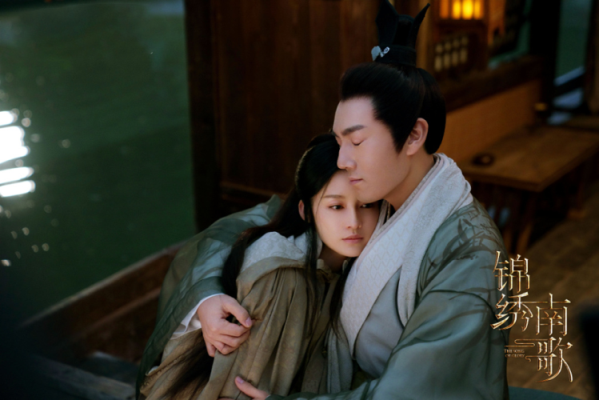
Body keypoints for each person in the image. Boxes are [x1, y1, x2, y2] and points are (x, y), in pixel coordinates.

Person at [149, 2, 511, 400]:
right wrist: (207, 297)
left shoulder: (468, 255)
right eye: (339, 142)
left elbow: (420, 392)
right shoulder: (380, 195)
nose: (342, 160)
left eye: (356, 141)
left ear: (413, 136)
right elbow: (242, 228)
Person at [138, 134, 380, 399]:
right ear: (306, 211)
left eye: (367, 205)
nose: (354, 221)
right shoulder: (281, 276)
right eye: (336, 206)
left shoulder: (351, 268)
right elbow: (238, 386)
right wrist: (206, 298)